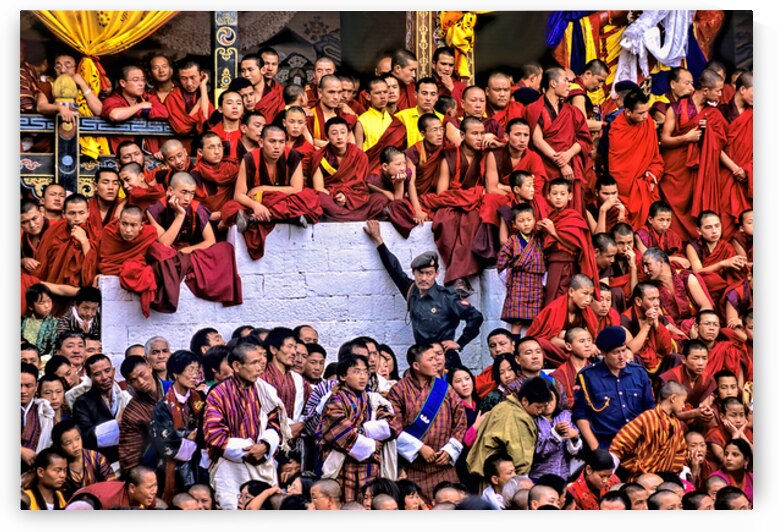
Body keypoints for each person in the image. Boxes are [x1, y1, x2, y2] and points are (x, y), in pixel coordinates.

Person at [364, 220, 484, 352]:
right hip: (422, 360)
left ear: (436, 273)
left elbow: (475, 317)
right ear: (414, 273)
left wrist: (460, 343)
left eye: (429, 273)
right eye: (420, 273)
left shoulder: (447, 297)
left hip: (444, 360)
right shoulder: (411, 291)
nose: (424, 278)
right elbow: (394, 269)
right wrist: (378, 239)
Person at [203, 341, 289, 510]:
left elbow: (275, 422)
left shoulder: (265, 390)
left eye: (261, 362)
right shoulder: (218, 394)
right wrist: (250, 449)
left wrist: (264, 446)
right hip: (230, 467)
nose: (260, 368)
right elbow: (214, 435)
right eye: (254, 363)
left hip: (262, 462)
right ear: (236, 365)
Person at [146, 172, 242, 312]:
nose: (188, 198)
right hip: (166, 252)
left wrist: (187, 250)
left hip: (187, 251)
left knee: (225, 248)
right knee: (159, 252)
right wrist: (180, 215)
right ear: (170, 191)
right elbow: (164, 243)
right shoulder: (155, 208)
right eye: (183, 192)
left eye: (191, 193)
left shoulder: (197, 208)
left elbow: (210, 240)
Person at [223, 124, 322, 259]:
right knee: (230, 207)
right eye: (272, 141)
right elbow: (238, 194)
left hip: (282, 200)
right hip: (262, 203)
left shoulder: (293, 156)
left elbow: (297, 189)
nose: (277, 147)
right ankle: (291, 217)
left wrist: (263, 188)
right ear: (261, 142)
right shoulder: (249, 158)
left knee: (309, 197)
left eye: (281, 142)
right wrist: (256, 206)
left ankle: (252, 219)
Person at [386, 345, 466, 501]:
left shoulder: (444, 387)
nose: (436, 362)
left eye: (437, 358)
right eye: (430, 359)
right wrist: (419, 447)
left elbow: (460, 419)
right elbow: (392, 425)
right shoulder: (398, 390)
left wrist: (450, 449)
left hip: (444, 465)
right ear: (416, 366)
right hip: (414, 468)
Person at [660, 69, 728, 241]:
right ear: (705, 91)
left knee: (695, 209)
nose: (720, 94)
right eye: (718, 91)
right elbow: (665, 140)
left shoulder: (713, 114)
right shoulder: (675, 109)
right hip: (676, 171)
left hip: (699, 172)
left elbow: (720, 145)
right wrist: (686, 138)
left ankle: (696, 245)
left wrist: (708, 133)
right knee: (673, 212)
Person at [318, 354, 397, 502]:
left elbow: (391, 426)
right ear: (342, 376)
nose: (362, 376)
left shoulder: (373, 399)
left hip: (370, 469)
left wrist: (362, 430)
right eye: (356, 371)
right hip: (343, 467)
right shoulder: (336, 400)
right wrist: (372, 444)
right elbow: (340, 433)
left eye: (365, 372)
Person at [573, 326, 655, 451]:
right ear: (604, 353)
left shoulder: (639, 373)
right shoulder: (588, 377)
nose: (622, 357)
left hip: (638, 442)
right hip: (606, 444)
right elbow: (581, 415)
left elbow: (650, 409)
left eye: (623, 350)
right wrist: (596, 449)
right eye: (616, 353)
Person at [525, 67, 593, 218]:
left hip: (570, 166)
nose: (569, 85)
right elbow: (537, 140)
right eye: (566, 81)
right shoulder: (534, 109)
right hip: (547, 166)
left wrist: (568, 155)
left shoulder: (572, 112)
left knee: (572, 208)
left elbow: (584, 138)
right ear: (553, 83)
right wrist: (562, 163)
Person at [433, 117, 490, 288]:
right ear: (463, 135)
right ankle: (459, 277)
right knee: (444, 220)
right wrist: (470, 195)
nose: (479, 138)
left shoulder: (487, 156)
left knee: (473, 219)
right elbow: (441, 194)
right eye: (474, 134)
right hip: (453, 202)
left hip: (473, 205)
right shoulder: (449, 157)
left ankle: (458, 277)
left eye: (482, 133)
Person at [148, 350, 207, 503]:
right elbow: (166, 443)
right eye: (190, 370)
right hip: (174, 468)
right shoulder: (164, 406)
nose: (195, 375)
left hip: (201, 463)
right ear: (175, 373)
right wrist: (190, 436)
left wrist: (195, 436)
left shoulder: (200, 399)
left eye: (197, 370)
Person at [468, 377, 553, 483]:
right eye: (538, 407)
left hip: (491, 473)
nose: (540, 411)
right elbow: (520, 460)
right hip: (504, 480)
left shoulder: (503, 406)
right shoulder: (518, 417)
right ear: (525, 401)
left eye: (543, 407)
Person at [312, 116, 390, 221]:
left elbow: (360, 186)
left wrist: (346, 196)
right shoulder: (319, 157)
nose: (339, 137)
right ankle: (358, 217)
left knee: (380, 199)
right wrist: (336, 196)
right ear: (327, 137)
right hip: (331, 198)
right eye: (334, 133)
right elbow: (318, 187)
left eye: (343, 132)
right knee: (319, 197)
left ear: (348, 135)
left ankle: (339, 217)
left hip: (355, 199)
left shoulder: (359, 156)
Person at [604, 90, 663, 228]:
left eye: (647, 111)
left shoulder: (648, 122)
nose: (645, 116)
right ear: (628, 112)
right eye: (641, 113)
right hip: (625, 190)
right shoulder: (617, 130)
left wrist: (651, 174)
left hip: (645, 184)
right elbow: (619, 169)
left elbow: (655, 156)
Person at [609, 380, 688, 481]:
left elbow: (680, 452)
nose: (684, 406)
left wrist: (672, 471)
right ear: (673, 398)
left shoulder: (676, 424)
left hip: (665, 478)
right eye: (683, 401)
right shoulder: (647, 418)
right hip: (641, 477)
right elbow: (621, 441)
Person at [537, 178, 599, 306]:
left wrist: (554, 232)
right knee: (551, 299)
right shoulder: (551, 218)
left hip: (567, 265)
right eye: (554, 194)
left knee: (562, 299)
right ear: (548, 196)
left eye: (562, 194)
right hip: (552, 264)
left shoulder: (573, 218)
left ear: (570, 196)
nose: (558, 197)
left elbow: (576, 247)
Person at [525, 274, 600, 367]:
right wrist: (575, 346)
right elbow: (549, 339)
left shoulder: (586, 311)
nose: (588, 299)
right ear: (571, 292)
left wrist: (587, 344)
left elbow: (590, 334)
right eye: (585, 293)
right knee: (542, 343)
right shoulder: (554, 309)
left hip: (577, 347)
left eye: (591, 295)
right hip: (558, 350)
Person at [71, 354, 132, 466]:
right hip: (101, 463)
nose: (104, 377)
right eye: (97, 374)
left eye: (107, 371)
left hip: (129, 458)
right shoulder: (82, 403)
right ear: (89, 376)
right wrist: (116, 424)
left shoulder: (125, 396)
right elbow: (85, 437)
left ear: (113, 371)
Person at [497, 203, 546, 335]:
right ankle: (515, 347)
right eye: (521, 221)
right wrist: (509, 277)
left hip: (536, 284)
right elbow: (502, 261)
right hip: (518, 283)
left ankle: (531, 347)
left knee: (536, 320)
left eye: (529, 220)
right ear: (514, 224)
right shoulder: (512, 240)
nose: (526, 224)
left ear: (535, 220)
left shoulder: (539, 240)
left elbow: (545, 259)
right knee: (517, 321)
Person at [101, 65, 169, 154]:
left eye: (142, 80)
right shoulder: (112, 100)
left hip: (149, 154)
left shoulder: (148, 98)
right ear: (123, 83)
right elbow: (115, 115)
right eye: (136, 80)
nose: (141, 84)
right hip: (124, 155)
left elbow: (164, 113)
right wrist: (139, 106)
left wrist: (139, 112)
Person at [33, 193, 96, 289]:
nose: (77, 219)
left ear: (88, 212)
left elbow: (93, 272)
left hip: (85, 295)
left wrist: (84, 242)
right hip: (55, 290)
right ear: (64, 214)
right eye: (72, 213)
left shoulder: (96, 234)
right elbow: (41, 266)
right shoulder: (53, 232)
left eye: (81, 213)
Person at [686, 211, 748, 306]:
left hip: (725, 283)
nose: (714, 231)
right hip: (706, 285)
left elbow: (736, 272)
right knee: (711, 280)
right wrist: (722, 264)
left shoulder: (726, 246)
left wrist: (741, 264)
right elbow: (698, 272)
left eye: (717, 226)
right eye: (708, 227)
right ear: (699, 231)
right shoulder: (692, 247)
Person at [719, 73, 753, 240]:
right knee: (725, 218)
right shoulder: (722, 112)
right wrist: (735, 168)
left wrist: (747, 170)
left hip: (747, 176)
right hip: (725, 172)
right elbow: (714, 147)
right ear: (742, 89)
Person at [641, 247, 713, 324]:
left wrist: (696, 326)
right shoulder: (652, 289)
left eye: (647, 265)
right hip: (673, 331)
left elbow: (706, 306)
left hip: (696, 325)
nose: (645, 270)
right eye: (643, 266)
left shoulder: (686, 278)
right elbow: (662, 321)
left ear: (660, 262)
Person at [50, 419, 115, 500]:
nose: (75, 445)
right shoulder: (58, 467)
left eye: (77, 439)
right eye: (68, 443)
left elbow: (112, 484)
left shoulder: (96, 457)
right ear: (59, 446)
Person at [118, 356, 162, 476]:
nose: (141, 382)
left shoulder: (172, 390)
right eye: (134, 380)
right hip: (155, 468)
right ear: (128, 383)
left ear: (149, 367)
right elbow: (130, 456)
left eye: (142, 374)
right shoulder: (133, 413)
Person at [530, 382, 582, 482]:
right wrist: (555, 434)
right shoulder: (533, 420)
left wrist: (574, 438)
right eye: (544, 399)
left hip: (563, 475)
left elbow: (574, 452)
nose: (548, 403)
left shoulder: (566, 415)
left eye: (551, 399)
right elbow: (539, 451)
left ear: (557, 398)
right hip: (539, 477)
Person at [621, 282, 675, 377]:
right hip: (640, 363)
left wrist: (657, 324)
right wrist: (647, 324)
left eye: (658, 298)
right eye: (651, 299)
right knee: (635, 359)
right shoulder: (626, 319)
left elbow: (667, 349)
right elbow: (630, 350)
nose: (657, 303)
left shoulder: (658, 317)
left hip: (657, 359)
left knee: (675, 358)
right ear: (638, 301)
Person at [262, 327, 310, 432]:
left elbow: (312, 403)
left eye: (295, 347)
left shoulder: (297, 379)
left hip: (295, 436)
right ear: (273, 349)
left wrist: (301, 423)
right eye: (290, 346)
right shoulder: (261, 377)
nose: (294, 352)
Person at [658, 340, 717, 425]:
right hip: (671, 420)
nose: (701, 363)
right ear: (683, 359)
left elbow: (706, 404)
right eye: (696, 358)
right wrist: (695, 413)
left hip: (696, 419)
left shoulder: (708, 379)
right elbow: (666, 412)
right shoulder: (671, 378)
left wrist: (706, 411)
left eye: (704, 358)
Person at [354, 77, 407, 172]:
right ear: (368, 96)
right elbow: (359, 155)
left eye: (385, 92)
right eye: (378, 93)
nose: (383, 96)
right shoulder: (362, 121)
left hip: (395, 170)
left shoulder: (395, 121)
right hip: (371, 171)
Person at [164, 60, 213, 150]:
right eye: (184, 78)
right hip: (180, 147)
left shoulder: (207, 95)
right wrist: (198, 104)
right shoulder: (173, 97)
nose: (189, 83)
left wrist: (203, 87)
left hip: (206, 147)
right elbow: (182, 128)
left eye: (192, 77)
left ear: (201, 75)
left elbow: (207, 118)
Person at [73, 465, 159, 509]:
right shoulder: (108, 503)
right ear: (132, 488)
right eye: (150, 487)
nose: (154, 491)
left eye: (155, 485)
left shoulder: (148, 497)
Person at [635, 201, 689, 269]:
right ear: (650, 219)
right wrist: (673, 259)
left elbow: (682, 259)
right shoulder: (641, 235)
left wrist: (675, 260)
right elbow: (648, 258)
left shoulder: (672, 235)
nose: (665, 224)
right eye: (661, 220)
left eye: (668, 220)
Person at [21, 362, 55, 471]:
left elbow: (50, 448)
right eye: (18, 385)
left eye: (28, 386)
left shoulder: (44, 412)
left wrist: (36, 472)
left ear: (36, 386)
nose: (23, 391)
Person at [308, 74, 357, 148]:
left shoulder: (345, 116)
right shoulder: (310, 116)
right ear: (320, 92)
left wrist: (318, 142)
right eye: (331, 92)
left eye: (339, 92)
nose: (336, 97)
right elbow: (307, 146)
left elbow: (352, 147)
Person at [395, 78, 442, 148]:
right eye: (424, 93)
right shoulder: (402, 117)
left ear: (437, 97)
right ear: (416, 95)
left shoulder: (443, 119)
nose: (428, 98)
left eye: (433, 94)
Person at [568, 59, 610, 134]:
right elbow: (582, 123)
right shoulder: (578, 93)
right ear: (588, 74)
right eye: (600, 81)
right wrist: (607, 125)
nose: (600, 86)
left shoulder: (573, 86)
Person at [85, 169, 124, 240]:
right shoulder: (85, 208)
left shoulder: (124, 207)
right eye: (105, 182)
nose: (111, 187)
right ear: (95, 186)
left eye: (115, 183)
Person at [22, 283, 58, 358]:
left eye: (49, 301)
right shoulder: (22, 321)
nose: (47, 306)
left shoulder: (55, 323)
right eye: (42, 303)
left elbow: (54, 346)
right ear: (31, 306)